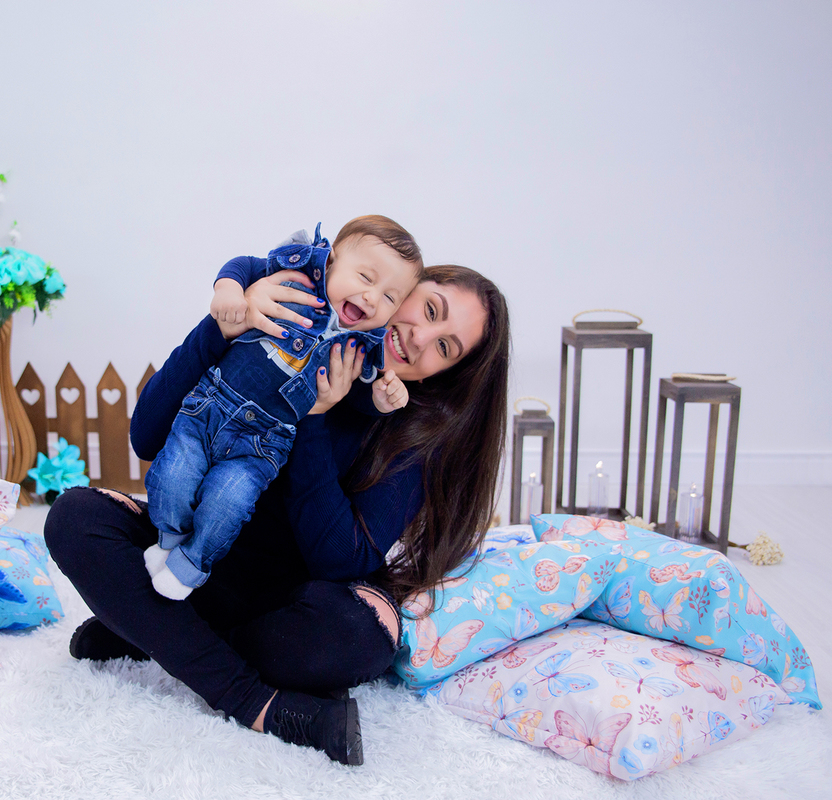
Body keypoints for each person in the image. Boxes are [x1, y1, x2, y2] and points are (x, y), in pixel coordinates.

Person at [44, 232, 511, 766]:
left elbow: (341, 560)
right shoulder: (293, 311)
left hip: (281, 606)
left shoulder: (413, 431)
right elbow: (148, 436)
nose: (420, 338)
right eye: (427, 308)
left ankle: (153, 629)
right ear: (401, 284)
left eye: (446, 347)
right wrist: (225, 324)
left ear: (445, 373)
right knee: (73, 518)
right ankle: (252, 700)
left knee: (359, 636)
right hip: (196, 552)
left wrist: (312, 418)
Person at [143, 218, 421, 601]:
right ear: (331, 261)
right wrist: (229, 294)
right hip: (211, 404)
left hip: (262, 443)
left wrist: (379, 400)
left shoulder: (360, 348)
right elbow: (244, 265)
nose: (372, 298)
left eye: (390, 298)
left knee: (228, 502)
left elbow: (356, 395)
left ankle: (191, 564)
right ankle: (169, 539)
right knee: (174, 476)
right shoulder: (296, 275)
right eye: (365, 277)